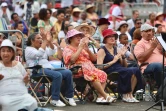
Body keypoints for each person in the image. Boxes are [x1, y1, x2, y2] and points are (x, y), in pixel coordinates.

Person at [63, 29, 116, 103]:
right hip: (77, 70)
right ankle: (105, 95)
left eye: (79, 36)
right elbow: (72, 60)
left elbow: (94, 59)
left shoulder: (83, 48)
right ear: (70, 38)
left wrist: (87, 50)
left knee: (102, 74)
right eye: (76, 36)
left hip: (89, 68)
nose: (79, 38)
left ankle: (100, 97)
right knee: (94, 76)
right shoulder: (67, 48)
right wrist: (80, 48)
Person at [25, 31, 76, 107]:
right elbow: (39, 54)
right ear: (32, 41)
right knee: (57, 75)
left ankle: (69, 96)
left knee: (68, 72)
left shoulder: (42, 48)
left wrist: (49, 42)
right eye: (38, 38)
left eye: (41, 38)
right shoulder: (28, 49)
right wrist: (45, 41)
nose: (41, 40)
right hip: (37, 71)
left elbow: (52, 52)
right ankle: (55, 99)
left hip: (49, 69)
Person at [97, 29, 143, 103]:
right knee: (127, 71)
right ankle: (125, 94)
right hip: (109, 70)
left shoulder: (117, 49)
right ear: (105, 39)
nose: (112, 38)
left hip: (120, 68)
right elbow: (99, 67)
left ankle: (130, 94)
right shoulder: (102, 50)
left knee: (136, 69)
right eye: (109, 37)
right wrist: (114, 61)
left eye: (113, 36)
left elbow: (124, 65)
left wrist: (123, 56)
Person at [0, 39, 37, 111]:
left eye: (8, 51)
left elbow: (26, 83)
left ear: (13, 53)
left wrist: (26, 80)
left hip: (22, 95)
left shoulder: (18, 65)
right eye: (3, 51)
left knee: (32, 102)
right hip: (6, 96)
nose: (6, 53)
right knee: (7, 104)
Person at [134, 23, 165, 88]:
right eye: (146, 31)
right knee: (158, 66)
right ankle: (161, 90)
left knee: (160, 66)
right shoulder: (140, 44)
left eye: (150, 31)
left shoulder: (156, 41)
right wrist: (152, 48)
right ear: (141, 33)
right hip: (147, 66)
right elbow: (141, 58)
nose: (149, 33)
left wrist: (163, 50)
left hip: (163, 65)